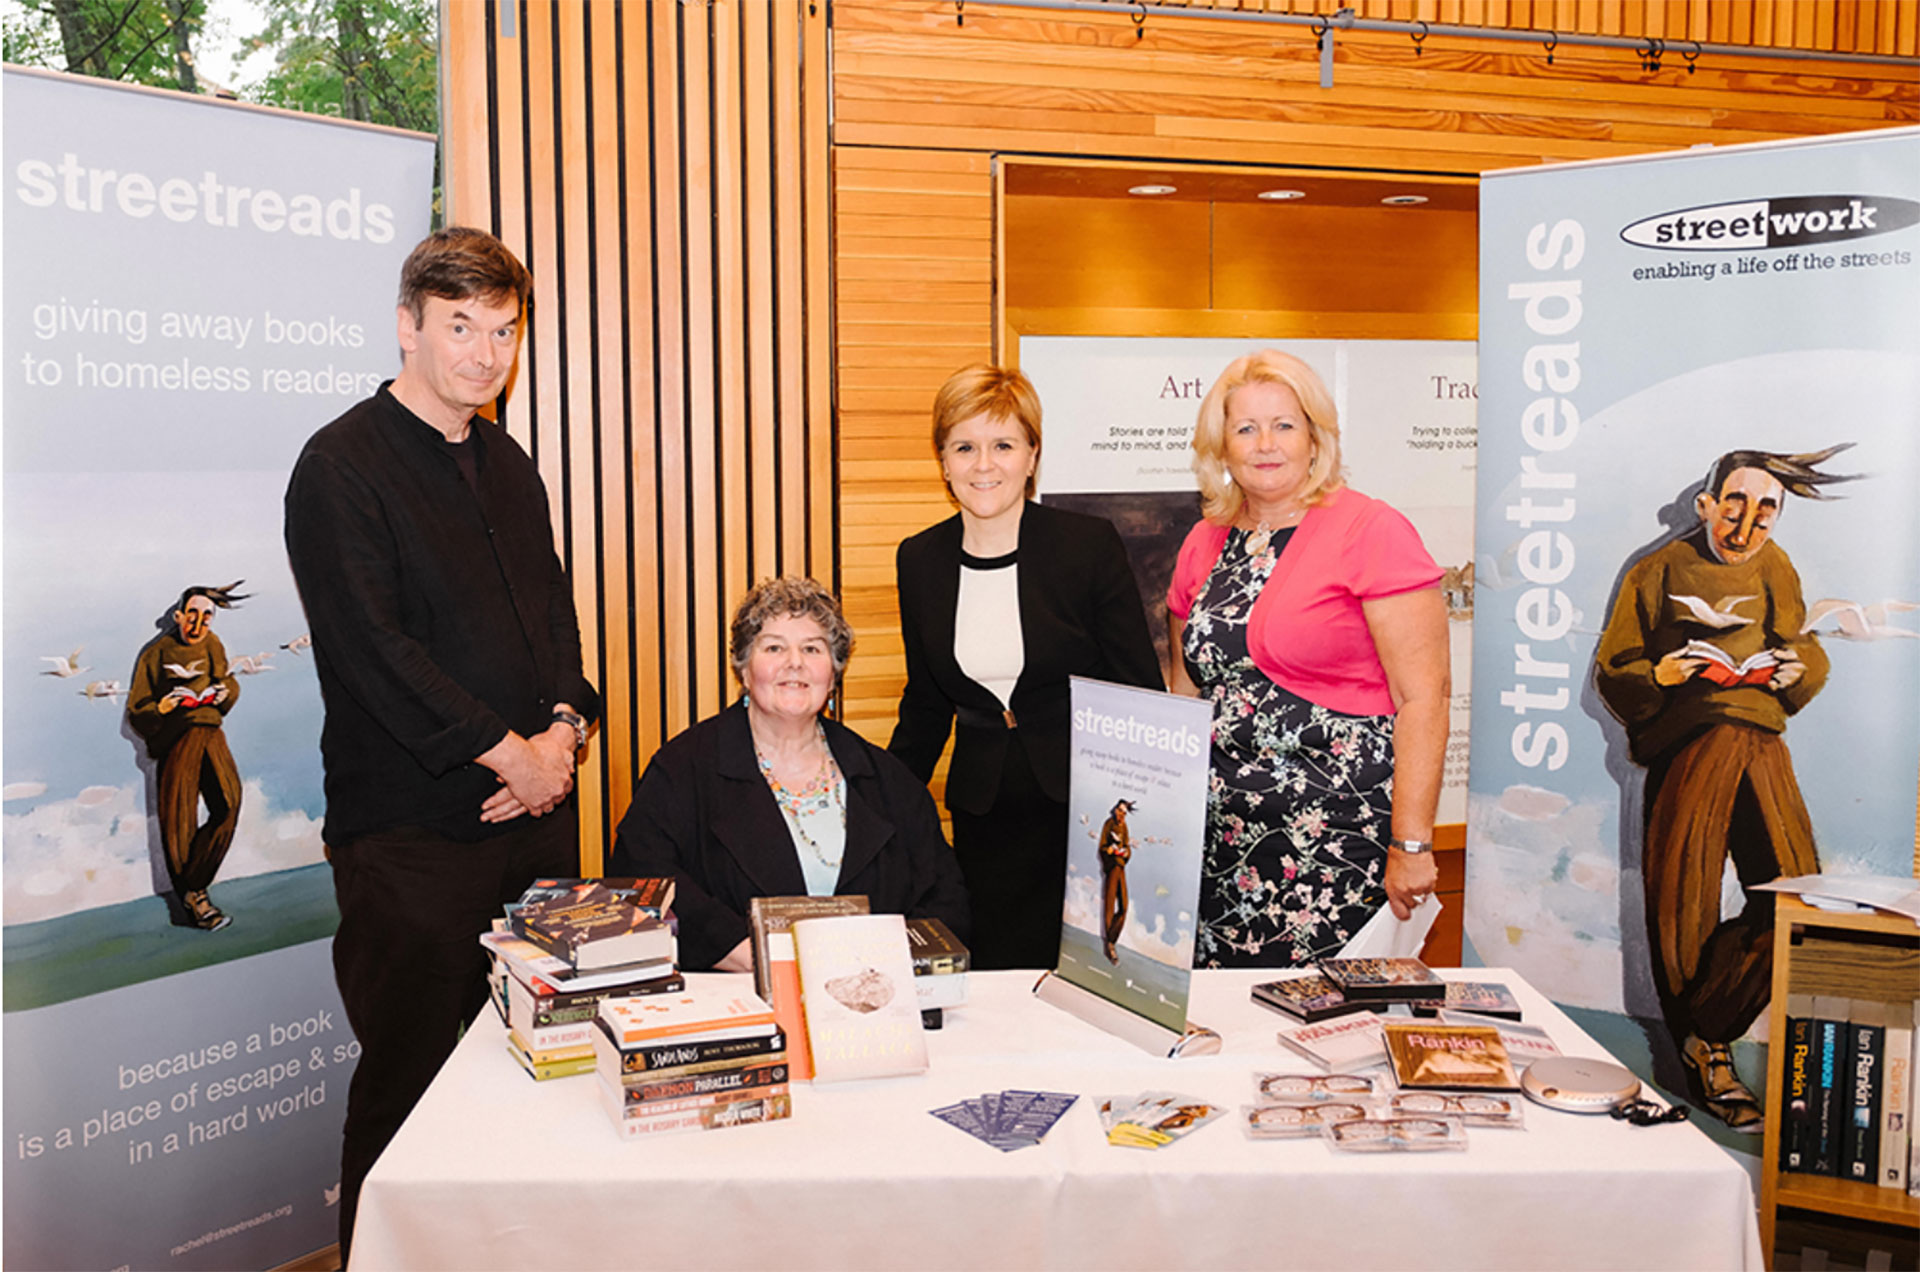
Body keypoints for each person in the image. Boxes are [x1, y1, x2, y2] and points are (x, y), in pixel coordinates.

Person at [283, 227, 598, 1256]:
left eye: (502, 330)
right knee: (408, 1085)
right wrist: (512, 755)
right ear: (409, 325)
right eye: (460, 326)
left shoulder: (506, 459)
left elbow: (553, 612)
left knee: (544, 1063)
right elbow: (375, 651)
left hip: (537, 829)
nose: (484, 351)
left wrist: (561, 729)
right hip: (411, 842)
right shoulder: (339, 465)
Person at [1594, 445, 1852, 1130]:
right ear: (1708, 504)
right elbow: (1614, 670)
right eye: (1733, 508)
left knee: (1798, 897)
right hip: (1688, 743)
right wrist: (1665, 678)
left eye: (1764, 513)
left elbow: (1801, 643)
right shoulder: (1654, 571)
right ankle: (1708, 1054)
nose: (1745, 527)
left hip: (1760, 738)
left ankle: (1703, 1028)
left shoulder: (1777, 567)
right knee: (1684, 894)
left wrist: (1802, 669)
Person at [1166, 349, 1447, 968]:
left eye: (1284, 425)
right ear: (1221, 448)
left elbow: (1424, 698)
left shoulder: (1373, 530)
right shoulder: (1205, 539)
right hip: (1220, 841)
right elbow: (1185, 690)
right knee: (1228, 1023)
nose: (1266, 444)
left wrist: (1412, 843)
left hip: (1337, 836)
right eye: (1246, 428)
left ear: (1315, 438)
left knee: (1328, 1032)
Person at [890, 365, 1162, 970]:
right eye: (965, 447)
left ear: (1032, 455)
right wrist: (880, 802)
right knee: (996, 977)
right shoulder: (920, 559)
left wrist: (1145, 807)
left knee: (1093, 971)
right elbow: (927, 701)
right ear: (943, 461)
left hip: (1087, 807)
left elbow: (1138, 686)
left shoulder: (1086, 546)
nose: (984, 464)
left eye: (1003, 445)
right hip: (984, 811)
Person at [610, 577, 970, 971]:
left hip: (869, 999)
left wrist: (889, 964)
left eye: (812, 648)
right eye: (774, 647)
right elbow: (640, 876)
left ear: (833, 675)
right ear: (744, 670)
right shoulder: (683, 768)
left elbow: (944, 898)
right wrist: (743, 953)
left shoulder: (887, 779)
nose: (794, 662)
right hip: (733, 994)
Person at [127, 581, 249, 931]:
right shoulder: (155, 653)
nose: (197, 624)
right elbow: (138, 710)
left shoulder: (213, 644)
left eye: (206, 617)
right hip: (175, 738)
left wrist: (225, 691)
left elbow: (227, 682)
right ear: (179, 615)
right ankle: (194, 900)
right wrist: (162, 707)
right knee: (178, 818)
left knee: (229, 803)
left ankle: (193, 885)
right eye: (192, 615)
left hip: (210, 730)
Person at [1096, 799, 1134, 963]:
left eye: (1124, 813)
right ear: (1115, 810)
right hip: (1112, 867)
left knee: (1124, 906)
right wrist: (1109, 850)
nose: (1121, 815)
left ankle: (1110, 939)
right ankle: (1110, 947)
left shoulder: (1124, 827)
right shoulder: (1108, 824)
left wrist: (1126, 853)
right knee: (1110, 905)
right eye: (1119, 811)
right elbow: (1102, 847)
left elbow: (1128, 847)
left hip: (1121, 867)